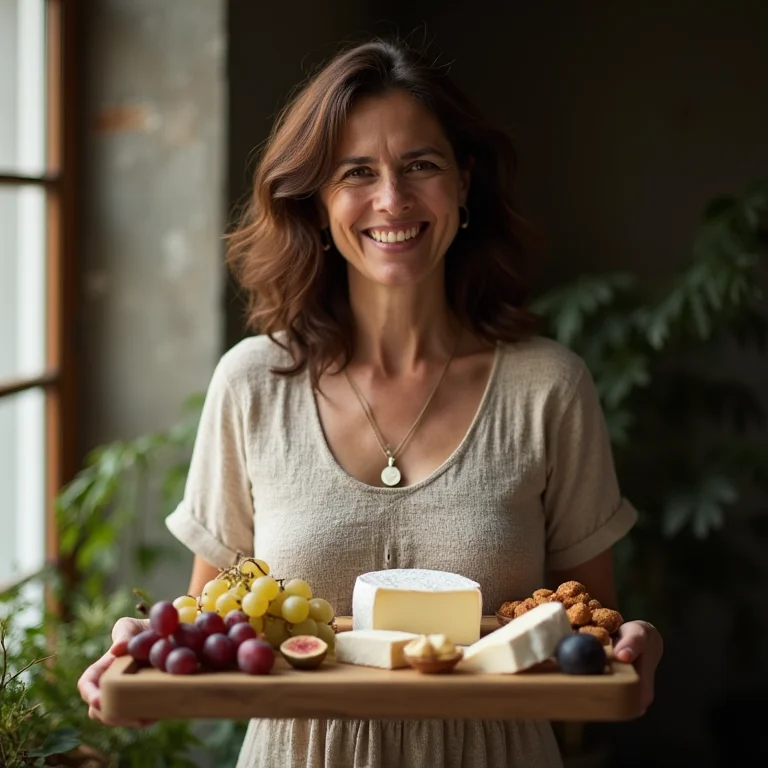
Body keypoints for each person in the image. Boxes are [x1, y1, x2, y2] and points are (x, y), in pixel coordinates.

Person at [78, 38, 663, 768]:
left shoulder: (550, 387)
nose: (392, 200)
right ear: (320, 205)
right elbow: (212, 627)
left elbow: (591, 631)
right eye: (357, 173)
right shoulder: (252, 384)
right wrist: (140, 663)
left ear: (465, 184)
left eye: (421, 164)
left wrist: (642, 645)